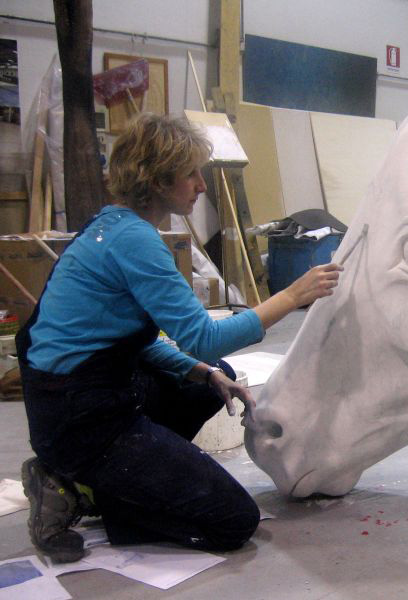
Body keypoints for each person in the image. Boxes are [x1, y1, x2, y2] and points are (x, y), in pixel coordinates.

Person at [16, 112, 343, 563]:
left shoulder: (111, 226)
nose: (202, 185)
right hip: (84, 421)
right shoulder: (134, 241)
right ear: (158, 178)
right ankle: (82, 489)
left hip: (84, 397)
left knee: (215, 376)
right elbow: (203, 336)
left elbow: (126, 340)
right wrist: (290, 296)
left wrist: (201, 371)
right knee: (233, 522)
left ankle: (106, 477)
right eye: (191, 173)